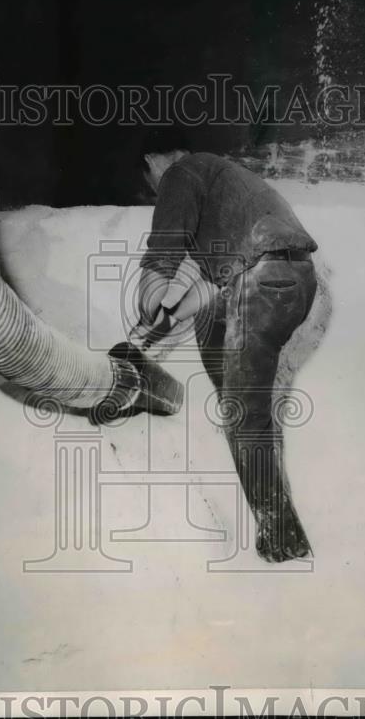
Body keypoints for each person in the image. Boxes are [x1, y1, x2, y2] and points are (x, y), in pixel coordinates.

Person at [133, 128, 318, 562]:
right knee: (232, 388)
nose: (155, 189)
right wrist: (165, 322)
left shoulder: (181, 171)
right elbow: (208, 285)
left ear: (153, 162)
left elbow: (161, 259)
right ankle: (280, 528)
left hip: (261, 279)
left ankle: (283, 542)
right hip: (295, 280)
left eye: (151, 182)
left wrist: (143, 313)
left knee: (242, 415)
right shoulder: (226, 184)